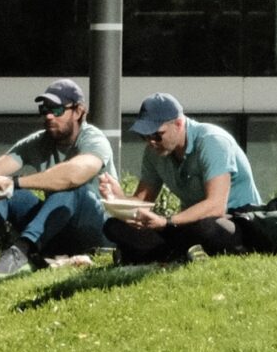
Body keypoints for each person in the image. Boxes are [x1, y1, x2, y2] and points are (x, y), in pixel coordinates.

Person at [0, 79, 119, 283]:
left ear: (78, 111)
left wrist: (15, 182)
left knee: (71, 188)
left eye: (57, 110)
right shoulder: (39, 141)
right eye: (44, 110)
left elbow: (73, 175)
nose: (49, 116)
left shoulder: (94, 139)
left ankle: (22, 252)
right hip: (55, 232)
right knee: (8, 194)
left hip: (96, 233)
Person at [107, 92, 263, 265]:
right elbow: (142, 202)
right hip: (186, 224)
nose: (151, 142)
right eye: (145, 136)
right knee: (114, 226)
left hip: (234, 220)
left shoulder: (212, 141)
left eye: (157, 135)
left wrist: (167, 222)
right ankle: (174, 253)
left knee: (206, 228)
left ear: (179, 124)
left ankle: (158, 253)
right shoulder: (154, 152)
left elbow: (216, 206)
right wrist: (117, 199)